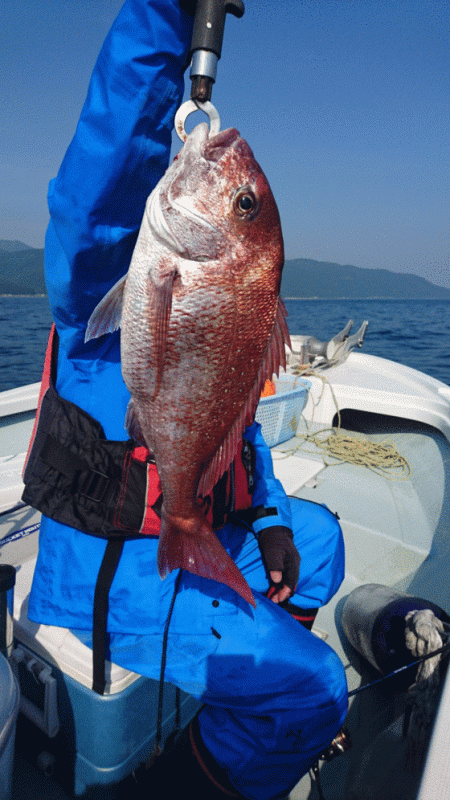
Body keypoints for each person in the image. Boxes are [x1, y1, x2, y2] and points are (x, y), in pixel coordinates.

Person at [23, 2, 348, 798]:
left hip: (191, 516)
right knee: (317, 689)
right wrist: (165, 19)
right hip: (114, 570)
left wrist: (267, 515)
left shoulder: (215, 303)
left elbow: (230, 418)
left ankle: (237, 688)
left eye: (241, 208)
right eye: (246, 206)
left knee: (320, 540)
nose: (236, 176)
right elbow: (100, 176)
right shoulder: (108, 277)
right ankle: (214, 757)